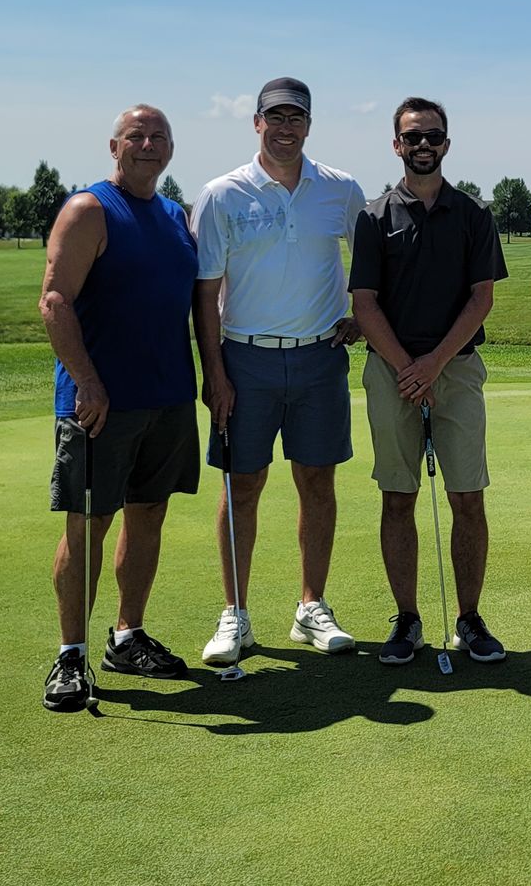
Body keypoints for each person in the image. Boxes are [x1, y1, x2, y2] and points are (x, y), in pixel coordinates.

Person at [191, 77, 365, 665]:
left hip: (320, 358)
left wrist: (360, 318)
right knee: (243, 484)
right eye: (275, 118)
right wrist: (214, 373)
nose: (285, 128)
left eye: (296, 118)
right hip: (245, 357)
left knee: (317, 482)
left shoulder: (340, 189)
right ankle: (234, 613)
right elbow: (205, 289)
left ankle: (311, 606)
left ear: (309, 125)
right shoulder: (222, 194)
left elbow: (370, 266)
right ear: (257, 122)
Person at [40, 104, 200, 711]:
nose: (148, 144)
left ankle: (127, 635)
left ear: (171, 149)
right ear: (115, 146)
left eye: (159, 136)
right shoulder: (90, 209)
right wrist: (87, 381)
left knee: (148, 515)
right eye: (137, 135)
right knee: (88, 525)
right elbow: (54, 301)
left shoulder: (173, 215)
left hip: (166, 397)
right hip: (99, 404)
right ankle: (71, 655)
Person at [349, 97, 510, 665]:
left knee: (467, 496)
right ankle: (409, 619)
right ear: (397, 145)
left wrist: (433, 364)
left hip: (456, 369)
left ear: (446, 143)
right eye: (412, 137)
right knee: (399, 496)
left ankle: (469, 618)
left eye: (432, 136)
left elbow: (481, 298)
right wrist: (405, 368)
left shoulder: (473, 214)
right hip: (390, 370)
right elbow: (364, 304)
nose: (422, 145)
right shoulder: (373, 216)